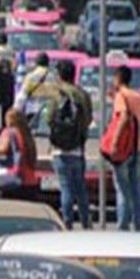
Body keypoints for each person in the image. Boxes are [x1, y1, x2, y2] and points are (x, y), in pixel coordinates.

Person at [46, 59, 93, 229]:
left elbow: (48, 118)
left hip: (60, 149)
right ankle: (86, 221)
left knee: (65, 187)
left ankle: (67, 223)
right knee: (80, 188)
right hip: (78, 149)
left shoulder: (56, 95)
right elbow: (88, 119)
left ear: (60, 75)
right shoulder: (82, 95)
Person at [107, 65, 140, 231]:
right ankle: (138, 225)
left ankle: (122, 227)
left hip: (123, 149)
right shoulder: (138, 96)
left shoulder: (121, 96)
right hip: (137, 147)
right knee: (136, 189)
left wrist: (114, 143)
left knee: (122, 189)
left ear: (118, 78)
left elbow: (123, 118)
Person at [0, 108, 39, 200]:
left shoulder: (9, 132)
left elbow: (4, 149)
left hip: (14, 182)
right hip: (32, 183)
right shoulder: (27, 134)